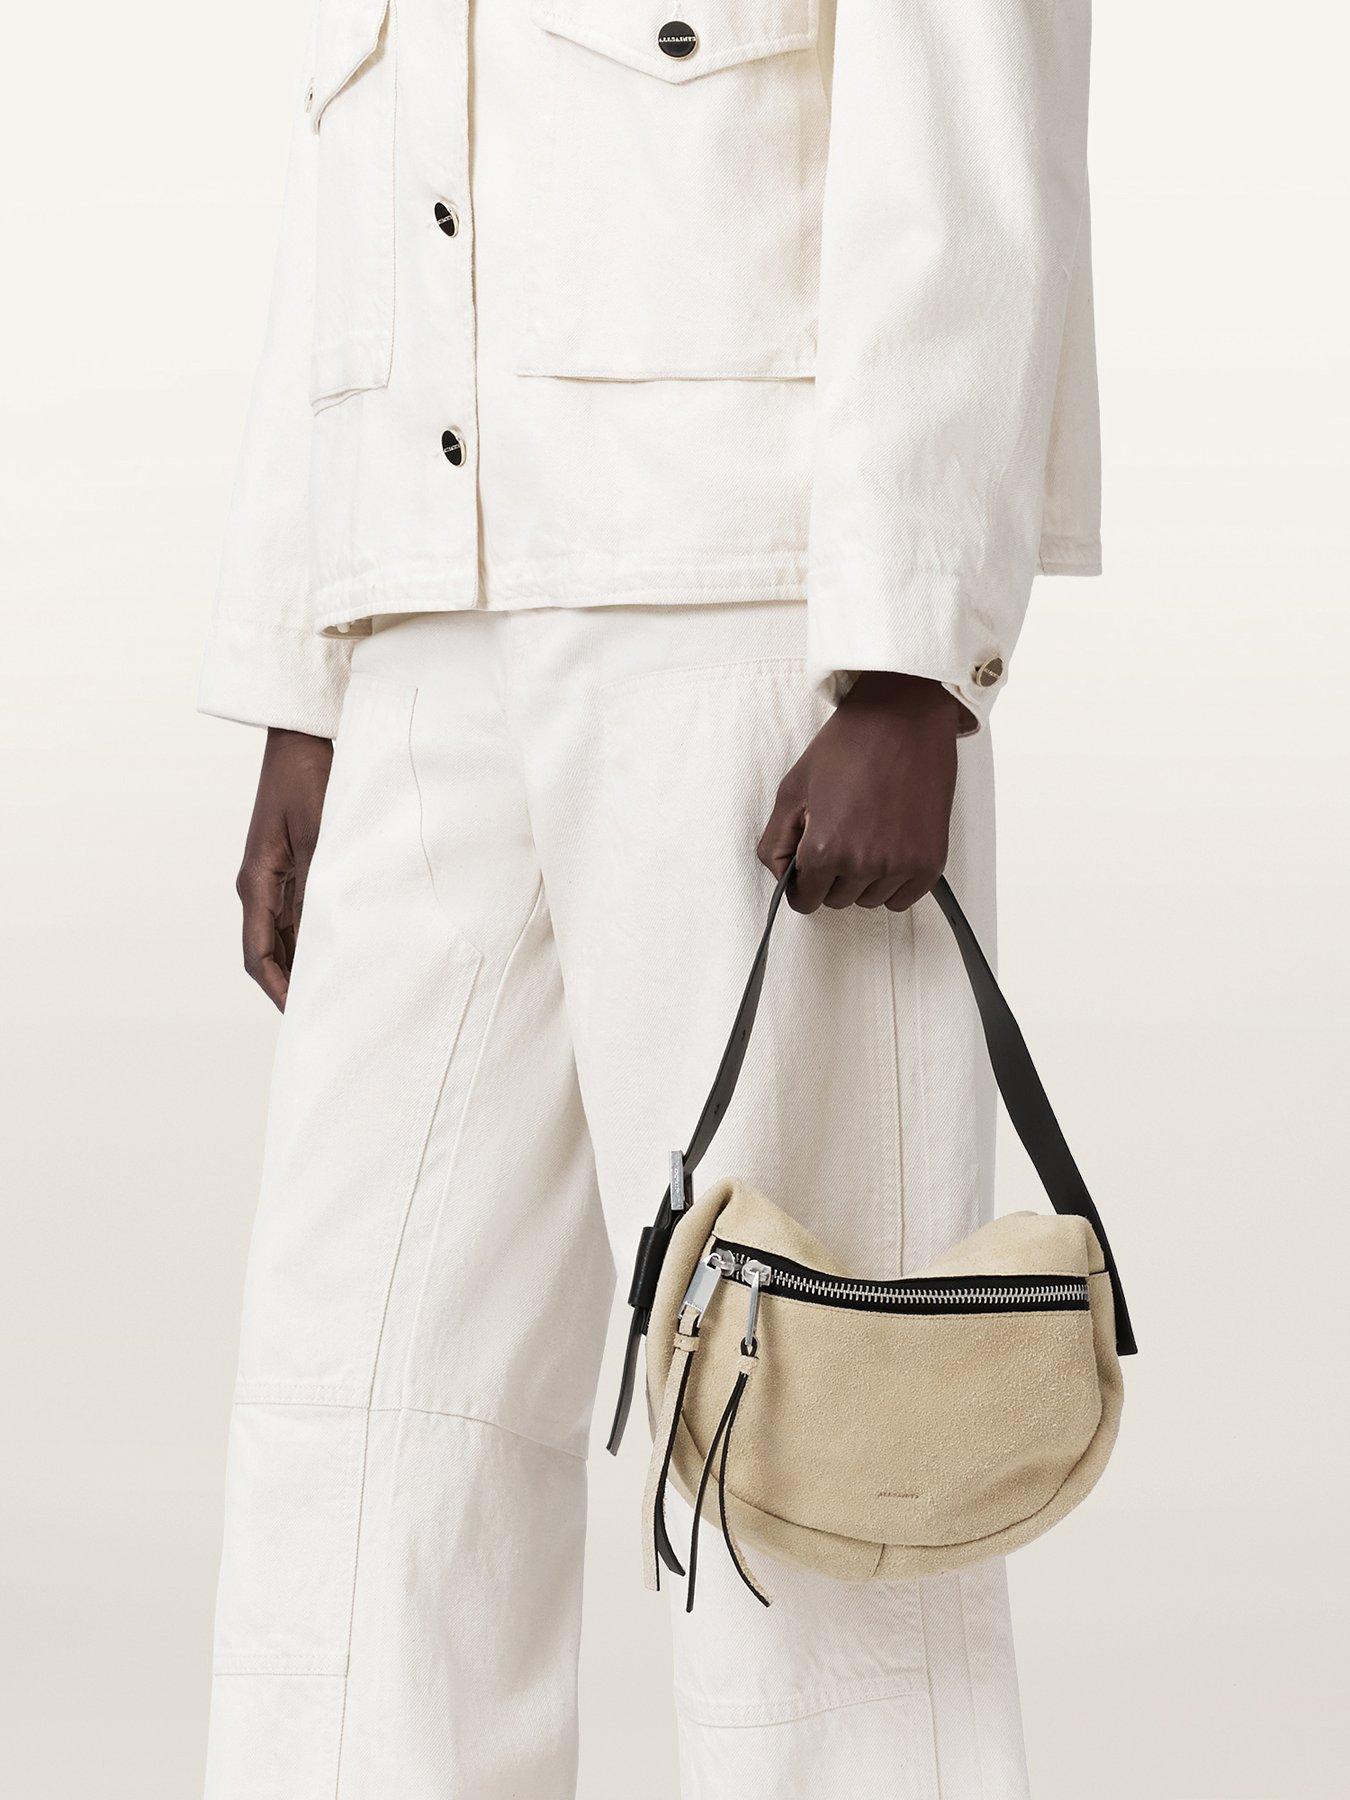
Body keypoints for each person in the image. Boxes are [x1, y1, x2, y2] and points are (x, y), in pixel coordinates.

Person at [198, 1, 1100, 1794]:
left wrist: (911, 661)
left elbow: (968, 138)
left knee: (811, 1414)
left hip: (744, 614)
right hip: (423, 624)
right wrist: (306, 673)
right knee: (357, 1379)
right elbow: (356, 173)